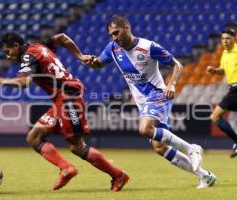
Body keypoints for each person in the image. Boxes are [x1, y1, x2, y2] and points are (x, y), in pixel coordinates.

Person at [0, 32, 129, 191]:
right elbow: (62, 38)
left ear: (16, 46)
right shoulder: (39, 45)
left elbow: (24, 82)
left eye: (8, 52)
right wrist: (79, 55)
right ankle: (66, 168)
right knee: (34, 137)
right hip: (61, 101)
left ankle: (118, 175)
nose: (8, 57)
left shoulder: (28, 56)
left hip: (69, 98)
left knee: (77, 146)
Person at [84, 15, 216, 189]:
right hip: (143, 102)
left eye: (116, 32)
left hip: (158, 94)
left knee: (145, 129)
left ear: (127, 27)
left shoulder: (148, 47)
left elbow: (177, 65)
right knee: (159, 147)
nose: (115, 37)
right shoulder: (112, 49)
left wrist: (172, 84)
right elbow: (99, 64)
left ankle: (192, 149)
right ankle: (205, 176)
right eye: (111, 35)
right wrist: (90, 61)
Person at [206, 28, 237, 158]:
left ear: (235, 39)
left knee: (215, 116)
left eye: (228, 38)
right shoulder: (225, 53)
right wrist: (215, 70)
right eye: (223, 39)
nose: (225, 41)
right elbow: (224, 70)